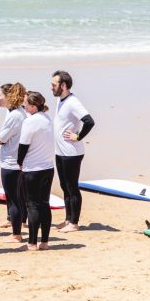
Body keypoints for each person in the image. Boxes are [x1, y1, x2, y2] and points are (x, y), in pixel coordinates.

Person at [51, 70, 95, 232]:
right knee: (64, 186)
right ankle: (68, 219)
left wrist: (78, 136)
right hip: (60, 152)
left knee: (72, 187)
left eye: (54, 85)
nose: (51, 87)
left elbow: (89, 121)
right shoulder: (60, 100)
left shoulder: (72, 102)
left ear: (63, 86)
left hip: (72, 153)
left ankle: (74, 223)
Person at [18, 91, 56, 251]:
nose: (23, 105)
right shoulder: (47, 118)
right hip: (48, 167)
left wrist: (19, 162)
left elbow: (23, 146)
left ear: (33, 106)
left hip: (32, 169)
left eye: (25, 103)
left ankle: (32, 243)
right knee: (44, 204)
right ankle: (45, 242)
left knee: (32, 205)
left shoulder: (30, 122)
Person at [0, 82, 28, 242]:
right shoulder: (18, 112)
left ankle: (16, 235)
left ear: (8, 97)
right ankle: (16, 226)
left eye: (0, 95)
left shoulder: (15, 115)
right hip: (18, 161)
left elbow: (1, 138)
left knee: (14, 199)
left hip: (11, 162)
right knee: (17, 198)